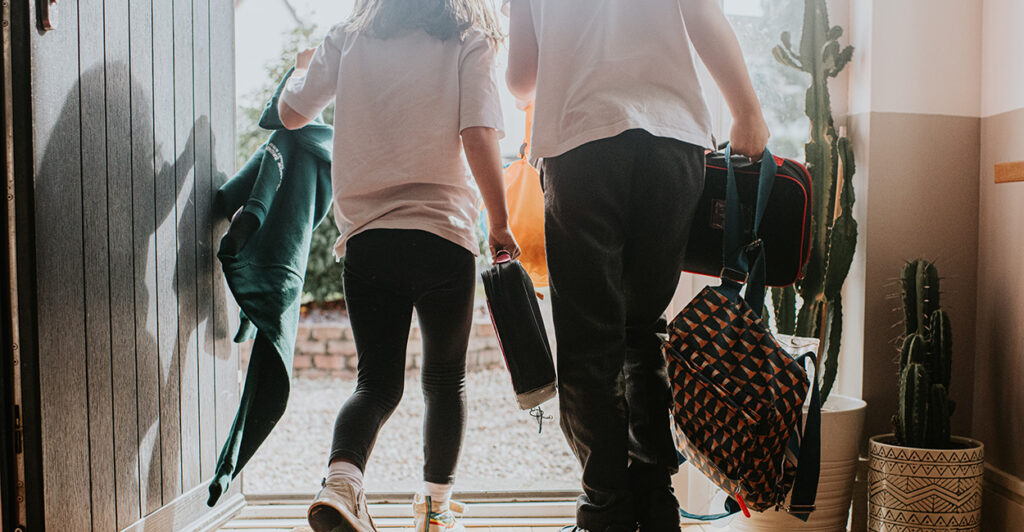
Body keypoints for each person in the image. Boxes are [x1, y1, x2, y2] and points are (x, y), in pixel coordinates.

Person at [506, 1, 770, 531]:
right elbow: (701, 14)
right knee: (643, 332)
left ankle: (605, 505)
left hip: (581, 145)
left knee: (589, 342)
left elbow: (520, 79)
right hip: (671, 143)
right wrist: (747, 111)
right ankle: (655, 499)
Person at [277, 1, 519, 530]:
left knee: (377, 385)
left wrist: (304, 66)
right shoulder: (468, 37)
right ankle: (435, 511)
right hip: (444, 238)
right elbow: (479, 131)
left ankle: (342, 485)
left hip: (370, 240)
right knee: (445, 382)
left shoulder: (348, 35)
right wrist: (499, 223)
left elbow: (291, 114)